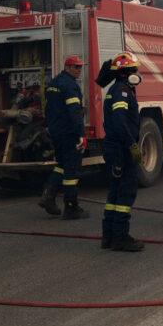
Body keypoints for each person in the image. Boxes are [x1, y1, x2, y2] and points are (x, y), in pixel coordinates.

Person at [100, 52, 146, 252]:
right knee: (125, 193)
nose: (137, 73)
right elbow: (119, 119)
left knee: (114, 194)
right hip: (121, 149)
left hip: (114, 147)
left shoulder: (116, 89)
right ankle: (120, 238)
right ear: (127, 73)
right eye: (134, 70)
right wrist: (132, 144)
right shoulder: (122, 91)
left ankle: (108, 237)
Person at [39, 54, 90, 220]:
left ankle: (48, 196)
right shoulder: (69, 85)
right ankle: (71, 207)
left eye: (81, 67)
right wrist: (81, 133)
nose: (79, 70)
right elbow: (75, 112)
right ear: (67, 67)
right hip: (69, 133)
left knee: (61, 165)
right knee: (72, 170)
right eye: (76, 67)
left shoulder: (54, 82)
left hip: (56, 132)